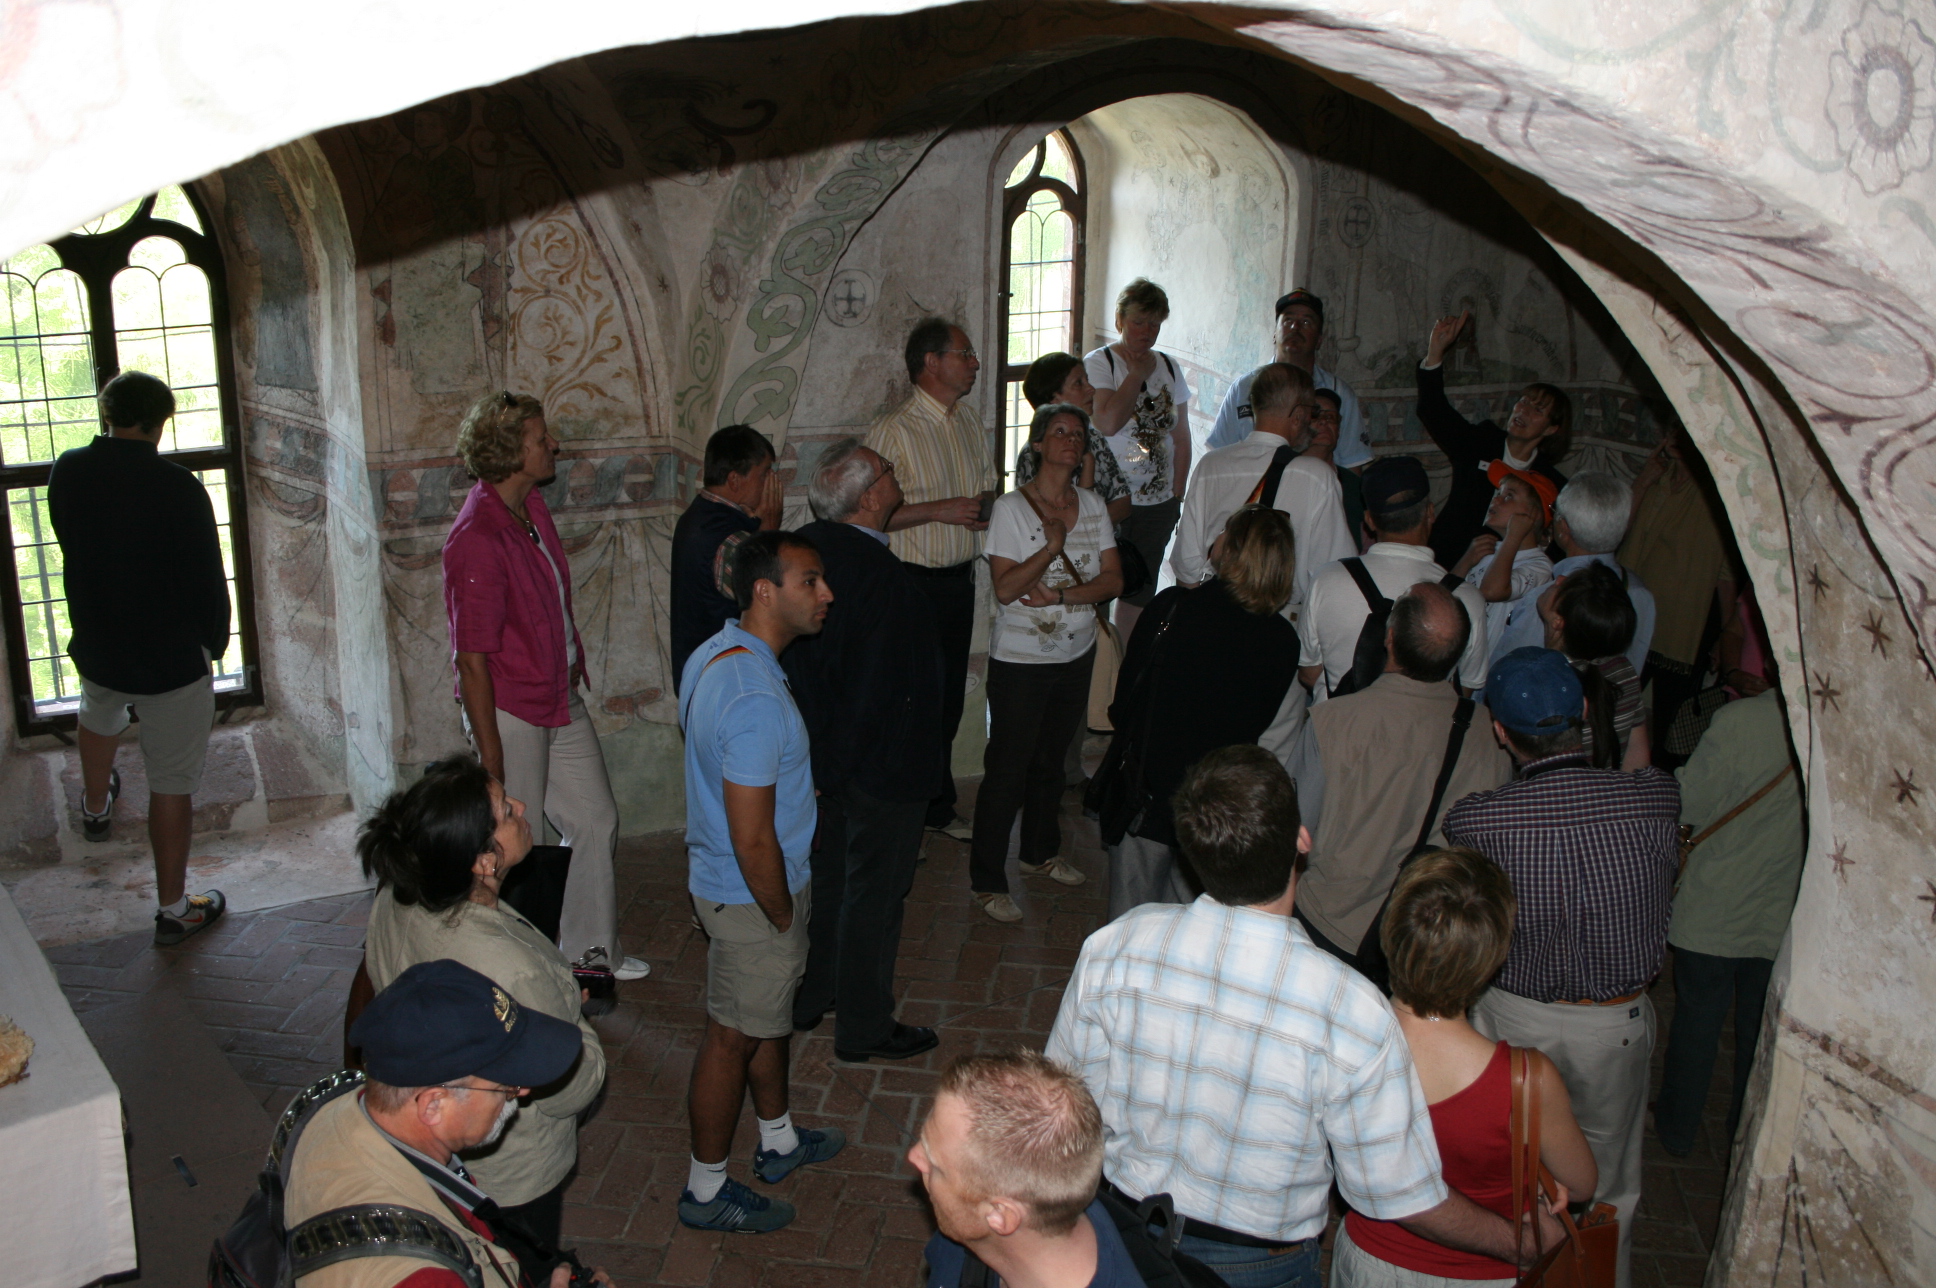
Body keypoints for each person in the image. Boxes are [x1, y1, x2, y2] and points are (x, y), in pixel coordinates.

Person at [1049, 744, 1560, 1288]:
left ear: (1193, 850)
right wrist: (1518, 1242)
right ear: (1302, 840)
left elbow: (1064, 1101)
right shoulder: (1351, 1007)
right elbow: (1397, 1191)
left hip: (1125, 1236)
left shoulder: (1116, 946)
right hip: (1259, 1266)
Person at [1443, 647, 1681, 1288]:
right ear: (1582, 712)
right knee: (1610, 1189)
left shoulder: (1479, 820)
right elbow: (1640, 764)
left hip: (1515, 1018)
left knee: (1511, 1172)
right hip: (1613, 1026)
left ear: (1500, 732)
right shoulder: (1655, 798)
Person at [357, 756, 607, 1278]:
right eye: (506, 812)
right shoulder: (510, 969)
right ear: (484, 862)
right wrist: (574, 1022)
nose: (521, 807)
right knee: (520, 1267)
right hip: (512, 1174)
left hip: (435, 1147)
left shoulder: (398, 893)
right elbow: (570, 1089)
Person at [676, 529, 846, 1232]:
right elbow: (752, 837)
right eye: (810, 581)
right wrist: (780, 914)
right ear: (764, 592)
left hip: (730, 884)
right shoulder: (752, 698)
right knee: (732, 1036)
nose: (826, 593)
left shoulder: (717, 653)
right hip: (752, 895)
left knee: (762, 1017)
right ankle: (706, 1189)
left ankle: (777, 1140)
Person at [443, 391, 643, 981]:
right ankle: (505, 967)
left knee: (595, 819)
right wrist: (493, 758)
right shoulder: (477, 536)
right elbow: (471, 660)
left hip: (556, 697)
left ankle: (587, 956)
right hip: (510, 710)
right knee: (508, 846)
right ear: (510, 451)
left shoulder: (529, 507)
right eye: (540, 437)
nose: (553, 443)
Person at [1335, 849, 1597, 1288]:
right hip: (1486, 1274)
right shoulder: (1525, 1079)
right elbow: (1582, 1183)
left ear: (1390, 932)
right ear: (1492, 957)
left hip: (1370, 1261)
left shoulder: (1341, 1041)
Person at [289, 958, 613, 1288]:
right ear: (433, 1105)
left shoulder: (325, 1108)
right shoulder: (424, 1278)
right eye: (505, 1085)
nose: (523, 1090)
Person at [48, 370, 229, 945]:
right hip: (170, 654)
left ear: (107, 414)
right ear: (160, 422)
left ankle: (95, 807)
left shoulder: (69, 469)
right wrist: (211, 644)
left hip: (101, 638)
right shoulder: (179, 487)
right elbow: (206, 576)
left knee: (98, 710)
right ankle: (174, 910)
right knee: (171, 781)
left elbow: (67, 537)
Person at [781, 438, 943, 1063]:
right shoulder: (880, 576)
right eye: (887, 470)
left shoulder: (800, 553)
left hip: (818, 757)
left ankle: (813, 994)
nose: (895, 473)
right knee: (875, 893)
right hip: (880, 765)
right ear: (870, 497)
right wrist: (845, 765)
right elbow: (879, 688)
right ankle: (865, 1025)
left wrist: (820, 765)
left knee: (829, 883)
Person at [1283, 583, 1512, 975]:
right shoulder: (1488, 734)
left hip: (1328, 925)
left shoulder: (1333, 722)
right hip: (1424, 941)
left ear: (1389, 638)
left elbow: (1293, 831)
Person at [1102, 504, 1302, 921]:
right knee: (1200, 924)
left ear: (1231, 550)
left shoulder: (1172, 609)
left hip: (1148, 794)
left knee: (1132, 921)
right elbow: (1270, 735)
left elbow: (1124, 703)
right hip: (1219, 807)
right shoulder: (1284, 641)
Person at [972, 403, 1123, 923]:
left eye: (1078, 434)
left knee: (1051, 763)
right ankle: (987, 880)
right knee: (1007, 770)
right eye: (1059, 431)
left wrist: (1059, 596)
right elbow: (1006, 587)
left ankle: (1039, 852)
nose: (1071, 440)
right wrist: (1050, 547)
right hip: (1020, 661)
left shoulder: (1094, 505)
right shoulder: (1012, 509)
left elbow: (1113, 580)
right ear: (1037, 444)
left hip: (1076, 653)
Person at [1654, 686, 1804, 1158]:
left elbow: (1690, 802)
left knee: (1697, 1023)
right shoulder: (1833, 729)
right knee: (1759, 1036)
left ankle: (1677, 1129)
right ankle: (1744, 1131)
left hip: (1717, 903)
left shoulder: (1743, 719)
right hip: (1784, 910)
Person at [866, 317, 997, 842]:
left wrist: (989, 510)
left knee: (946, 702)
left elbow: (986, 490)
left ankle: (935, 807)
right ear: (931, 362)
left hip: (959, 583)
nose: (975, 364)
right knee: (909, 703)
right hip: (910, 584)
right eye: (964, 354)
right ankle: (900, 818)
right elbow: (870, 515)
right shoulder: (892, 430)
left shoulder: (969, 422)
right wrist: (937, 510)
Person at [909, 1050, 1142, 1288]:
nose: (914, 1156)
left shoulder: (966, 1217)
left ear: (1000, 1215)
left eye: (936, 1166)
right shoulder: (974, 1221)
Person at [1168, 362, 1354, 619]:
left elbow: (1187, 564)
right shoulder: (1317, 477)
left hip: (1216, 612)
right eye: (1312, 412)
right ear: (1298, 414)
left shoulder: (1211, 465)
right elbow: (1335, 571)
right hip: (1283, 619)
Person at [1298, 456, 1489, 699]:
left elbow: (1308, 673)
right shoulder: (1467, 598)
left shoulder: (1327, 579)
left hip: (1341, 720)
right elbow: (1465, 687)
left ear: (1369, 520)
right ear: (1430, 512)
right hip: (1423, 723)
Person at [1414, 310, 1570, 569]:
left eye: (1537, 410)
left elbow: (1558, 545)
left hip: (1505, 578)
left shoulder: (1551, 484)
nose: (1523, 411)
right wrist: (1435, 352)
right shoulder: (1481, 442)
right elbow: (1434, 411)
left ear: (1552, 429)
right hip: (1446, 561)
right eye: (1523, 402)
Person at [1618, 429, 1735, 767]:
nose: (1677, 439)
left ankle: (1660, 789)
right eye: (1674, 431)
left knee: (1671, 725)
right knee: (1613, 709)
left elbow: (1724, 571)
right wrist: (1644, 481)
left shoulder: (1715, 491)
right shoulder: (1657, 476)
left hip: (1682, 625)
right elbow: (1616, 531)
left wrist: (1727, 632)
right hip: (1632, 613)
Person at [1086, 278, 1190, 639]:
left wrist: (1177, 494)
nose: (1147, 332)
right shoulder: (1100, 363)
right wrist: (1135, 376)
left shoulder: (1170, 368)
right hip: (1109, 499)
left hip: (1158, 502)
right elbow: (1108, 422)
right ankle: (1098, 660)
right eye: (1139, 322)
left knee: (1140, 591)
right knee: (1100, 584)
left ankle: (1125, 660)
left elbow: (1181, 435)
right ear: (1120, 320)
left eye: (1155, 324)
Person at [1487, 471, 1655, 678]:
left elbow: (1505, 671)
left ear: (1563, 528)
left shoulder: (1549, 598)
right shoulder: (1639, 592)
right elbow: (1630, 669)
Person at [1203, 288, 1374, 473]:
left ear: (1319, 340)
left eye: (1306, 322)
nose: (1295, 328)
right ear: (1274, 333)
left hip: (1315, 488)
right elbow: (1219, 454)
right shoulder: (1243, 388)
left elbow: (1352, 464)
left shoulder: (1339, 393)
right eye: (1288, 320)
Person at [668, 424, 782, 693]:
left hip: (702, 673)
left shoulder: (699, 514)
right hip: (724, 680)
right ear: (734, 480)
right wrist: (770, 530)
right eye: (764, 473)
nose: (771, 483)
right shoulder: (728, 538)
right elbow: (768, 597)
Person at [1539, 562, 1650, 769]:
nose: (1560, 579)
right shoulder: (1623, 669)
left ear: (1558, 622)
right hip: (1606, 787)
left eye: (1565, 587)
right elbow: (1637, 757)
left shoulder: (1541, 681)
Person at [1446, 462, 1556, 649]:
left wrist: (1513, 537)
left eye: (1509, 496)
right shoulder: (1488, 548)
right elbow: (1445, 595)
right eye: (1498, 493)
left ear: (1534, 515)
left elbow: (1492, 591)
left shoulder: (1541, 566)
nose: (1496, 500)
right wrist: (1466, 560)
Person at [1015, 351, 1132, 525]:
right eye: (1079, 383)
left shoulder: (1094, 438)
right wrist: (1085, 529)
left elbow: (1123, 502)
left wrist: (1093, 529)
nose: (1091, 389)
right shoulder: (1034, 453)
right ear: (1054, 399)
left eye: (1087, 380)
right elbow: (1042, 521)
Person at [1310, 387, 1367, 547]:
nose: (1324, 421)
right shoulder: (1284, 478)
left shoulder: (1355, 487)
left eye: (1330, 417)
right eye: (1315, 415)